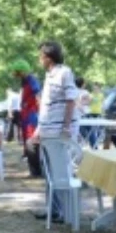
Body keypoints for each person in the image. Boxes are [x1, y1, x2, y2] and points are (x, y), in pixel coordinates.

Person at [28, 41, 78, 217]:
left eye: (40, 56)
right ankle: (53, 209)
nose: (39, 60)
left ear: (48, 57)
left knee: (60, 171)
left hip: (58, 132)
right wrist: (38, 130)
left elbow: (71, 99)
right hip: (48, 131)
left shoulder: (64, 73)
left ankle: (64, 211)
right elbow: (46, 107)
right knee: (49, 171)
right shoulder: (49, 76)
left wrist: (65, 126)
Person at [12, 60, 41, 144]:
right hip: (25, 112)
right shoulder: (24, 81)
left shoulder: (32, 80)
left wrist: (40, 110)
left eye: (18, 73)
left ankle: (33, 154)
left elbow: (38, 94)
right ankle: (26, 153)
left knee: (31, 133)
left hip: (32, 112)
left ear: (22, 72)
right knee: (25, 133)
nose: (17, 75)